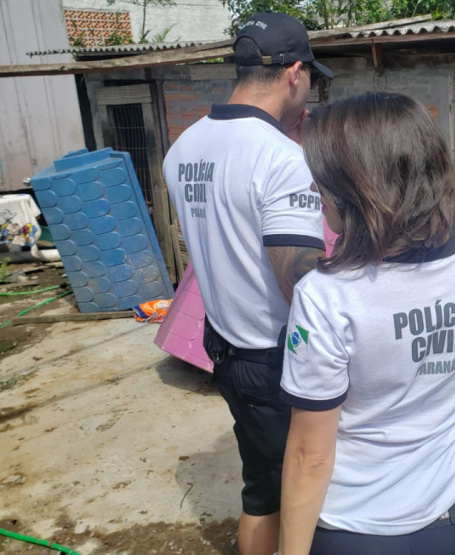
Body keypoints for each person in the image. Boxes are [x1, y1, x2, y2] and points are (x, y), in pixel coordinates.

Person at [277, 92, 455, 555]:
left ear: (358, 190)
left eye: (323, 180)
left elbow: (309, 456)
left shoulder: (325, 295)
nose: (315, 190)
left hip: (354, 527)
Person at [162, 12, 333, 555]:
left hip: (225, 346)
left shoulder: (183, 148)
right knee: (309, 494)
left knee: (262, 488)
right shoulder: (282, 158)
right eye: (312, 78)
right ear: (295, 73)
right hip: (276, 359)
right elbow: (298, 279)